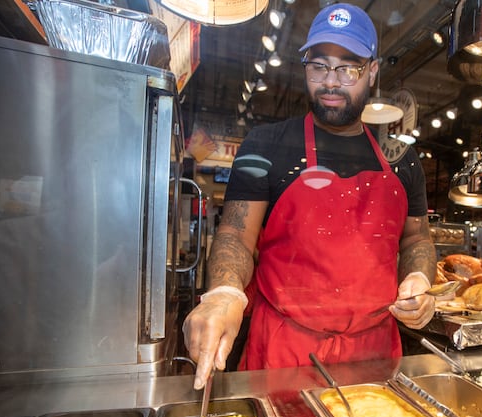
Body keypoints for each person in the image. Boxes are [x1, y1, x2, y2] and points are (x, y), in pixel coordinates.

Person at [183, 3, 437, 390]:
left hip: (375, 356)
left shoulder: (402, 159)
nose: (331, 82)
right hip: (284, 352)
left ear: (372, 71)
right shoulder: (264, 145)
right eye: (319, 66)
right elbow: (235, 234)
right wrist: (225, 291)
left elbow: (417, 237)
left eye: (348, 68)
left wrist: (419, 277)